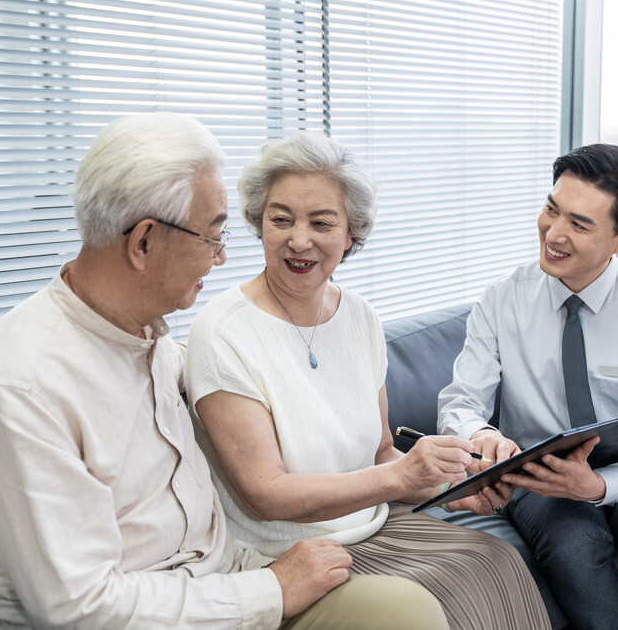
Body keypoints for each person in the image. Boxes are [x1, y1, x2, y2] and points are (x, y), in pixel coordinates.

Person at [0, 113, 448, 629]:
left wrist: (452, 469)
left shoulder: (147, 339)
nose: (221, 260)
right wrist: (268, 591)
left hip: (221, 584)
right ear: (144, 243)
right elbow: (79, 606)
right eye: (212, 236)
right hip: (174, 611)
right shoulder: (23, 387)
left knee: (413, 606)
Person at [183, 132, 551, 630]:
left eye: (321, 222)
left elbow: (380, 453)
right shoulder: (222, 330)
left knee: (497, 562)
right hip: (286, 555)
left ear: (351, 234)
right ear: (258, 222)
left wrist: (448, 489)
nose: (298, 239)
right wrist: (400, 478)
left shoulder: (359, 317)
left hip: (375, 525)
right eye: (281, 218)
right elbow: (263, 493)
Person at [437, 143, 618, 630]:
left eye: (580, 224)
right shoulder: (503, 300)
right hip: (540, 475)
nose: (554, 234)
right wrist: (479, 434)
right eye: (551, 210)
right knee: (573, 543)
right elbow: (462, 401)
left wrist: (601, 485)